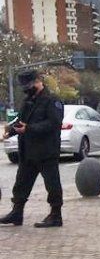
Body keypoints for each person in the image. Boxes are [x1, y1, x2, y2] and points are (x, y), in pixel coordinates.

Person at [0, 70, 65, 227]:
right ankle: (17, 213)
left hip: (46, 151)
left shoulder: (51, 100)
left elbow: (53, 123)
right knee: (21, 183)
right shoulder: (28, 100)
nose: (26, 90)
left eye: (29, 86)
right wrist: (11, 130)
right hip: (28, 151)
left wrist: (29, 129)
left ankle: (55, 215)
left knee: (52, 184)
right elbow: (21, 121)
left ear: (38, 81)